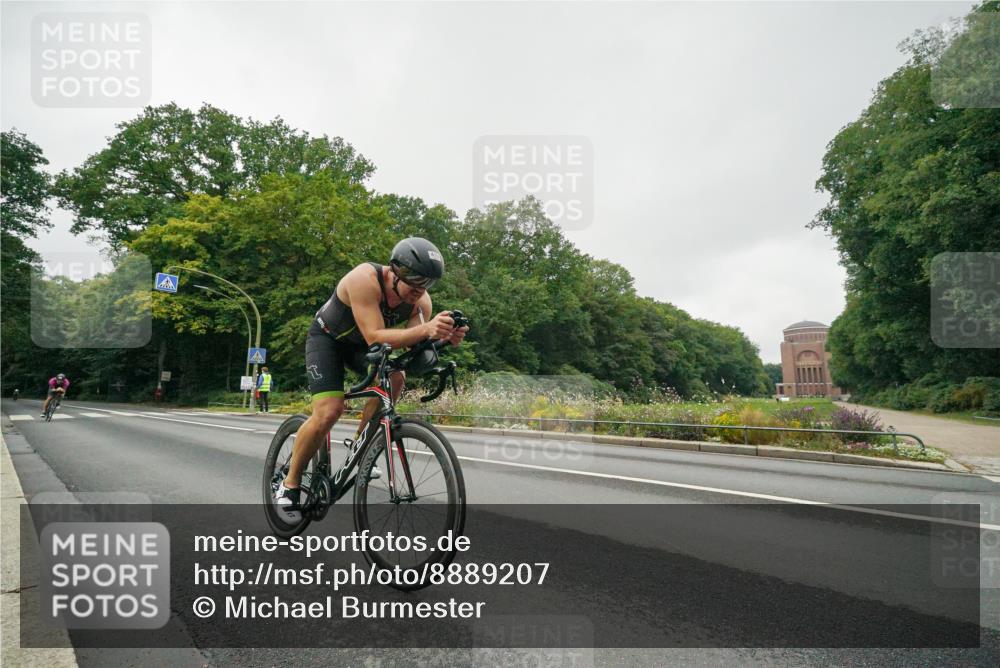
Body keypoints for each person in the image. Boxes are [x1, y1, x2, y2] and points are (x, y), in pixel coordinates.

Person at [274, 237, 469, 522]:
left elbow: (415, 348)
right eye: (414, 281)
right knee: (329, 410)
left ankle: (360, 445)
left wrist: (444, 339)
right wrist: (428, 330)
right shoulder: (364, 279)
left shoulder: (420, 302)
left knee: (398, 376)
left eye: (427, 283)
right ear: (395, 270)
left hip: (363, 348)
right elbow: (375, 335)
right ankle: (289, 485)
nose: (420, 289)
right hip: (327, 340)